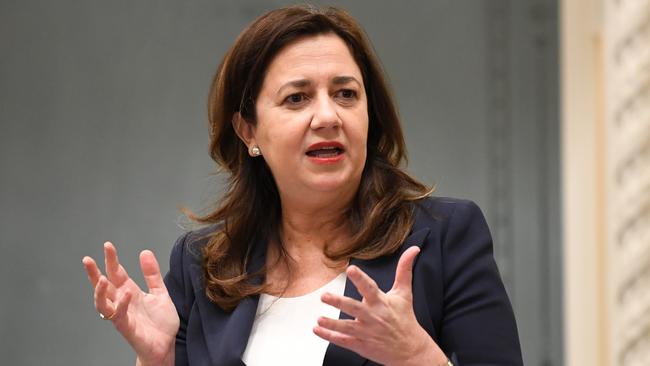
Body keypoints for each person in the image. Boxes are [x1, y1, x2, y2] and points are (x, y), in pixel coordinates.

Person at [82, 5, 523, 366]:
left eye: (346, 93)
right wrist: (155, 362)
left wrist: (416, 357)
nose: (328, 116)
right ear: (248, 131)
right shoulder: (204, 264)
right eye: (297, 98)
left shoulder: (445, 237)